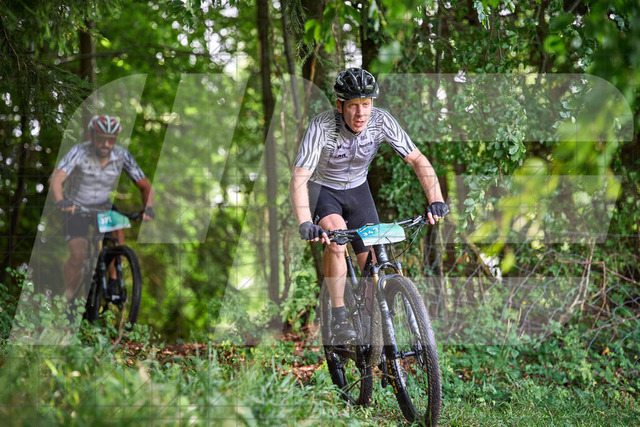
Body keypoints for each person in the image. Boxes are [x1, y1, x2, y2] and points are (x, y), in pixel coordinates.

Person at [290, 68, 449, 344]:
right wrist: (305, 221)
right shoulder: (322, 126)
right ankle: (339, 314)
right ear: (340, 105)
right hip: (324, 190)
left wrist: (436, 200)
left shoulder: (381, 121)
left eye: (366, 104)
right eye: (353, 105)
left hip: (358, 192)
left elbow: (417, 159)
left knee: (373, 268)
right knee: (336, 240)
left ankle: (370, 331)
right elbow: (300, 175)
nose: (360, 113)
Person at [50, 115, 154, 300]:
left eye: (111, 139)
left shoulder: (122, 156)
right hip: (75, 206)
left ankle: (113, 281)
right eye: (101, 139)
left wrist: (149, 209)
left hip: (102, 206)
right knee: (78, 254)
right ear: (92, 137)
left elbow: (145, 186)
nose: (106, 144)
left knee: (117, 229)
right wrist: (61, 201)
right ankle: (70, 296)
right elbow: (56, 179)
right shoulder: (79, 152)